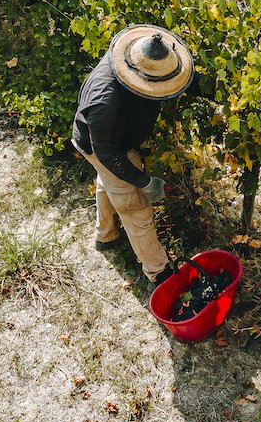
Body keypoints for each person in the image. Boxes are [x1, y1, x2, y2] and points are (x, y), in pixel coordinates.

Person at [72, 25, 195, 285]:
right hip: (103, 149)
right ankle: (158, 272)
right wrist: (144, 182)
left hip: (109, 140)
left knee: (110, 184)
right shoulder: (105, 103)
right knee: (136, 208)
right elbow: (106, 154)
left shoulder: (135, 55)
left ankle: (106, 235)